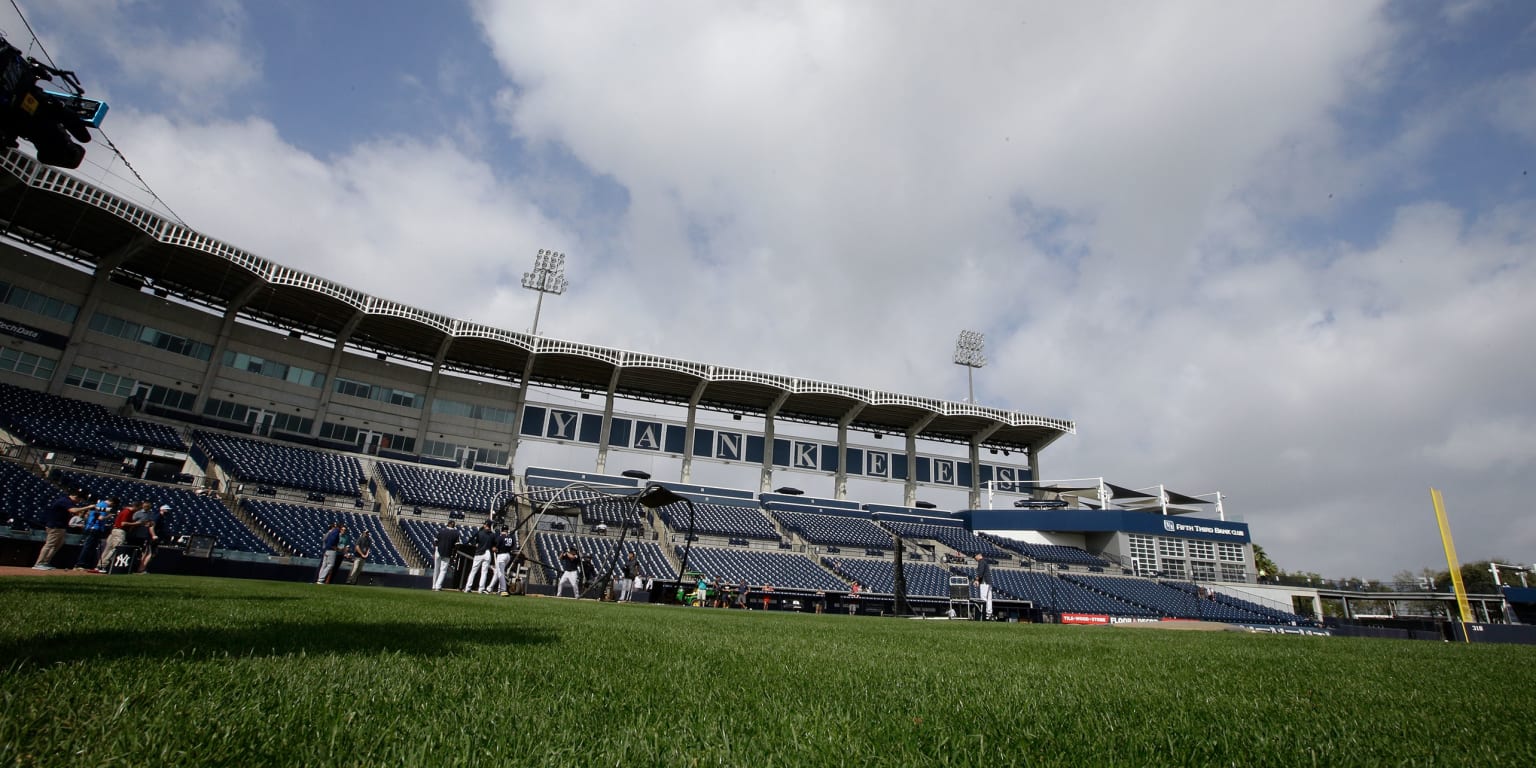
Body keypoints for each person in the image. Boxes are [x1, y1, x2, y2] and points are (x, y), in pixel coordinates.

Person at [33, 488, 92, 570]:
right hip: (55, 526)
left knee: (56, 545)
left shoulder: (69, 502)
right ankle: (39, 563)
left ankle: (45, 562)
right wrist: (87, 507)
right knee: (49, 545)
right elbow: (73, 510)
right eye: (79, 499)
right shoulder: (64, 501)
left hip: (61, 527)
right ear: (76, 496)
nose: (79, 501)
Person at [94, 499, 140, 572]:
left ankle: (99, 566)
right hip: (120, 531)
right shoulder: (127, 512)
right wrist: (136, 523)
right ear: (136, 507)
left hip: (115, 530)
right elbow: (123, 523)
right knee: (114, 549)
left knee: (108, 549)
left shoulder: (125, 511)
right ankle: (103, 566)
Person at [72, 496, 115, 570]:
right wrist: (108, 516)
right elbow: (100, 518)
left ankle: (84, 564)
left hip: (90, 527)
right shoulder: (104, 506)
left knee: (89, 547)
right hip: (95, 528)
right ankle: (80, 564)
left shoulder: (99, 504)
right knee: (88, 546)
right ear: (112, 502)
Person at [464, 521, 496, 594]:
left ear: (486, 525)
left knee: (473, 571)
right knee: (484, 572)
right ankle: (481, 589)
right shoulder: (493, 535)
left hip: (479, 552)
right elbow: (494, 546)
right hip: (487, 553)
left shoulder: (480, 533)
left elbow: (477, 543)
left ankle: (467, 588)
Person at [138, 504, 170, 573]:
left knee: (150, 553)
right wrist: (153, 535)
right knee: (148, 553)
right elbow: (151, 526)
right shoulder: (157, 516)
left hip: (154, 537)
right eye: (167, 509)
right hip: (151, 538)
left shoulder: (161, 517)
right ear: (163, 509)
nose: (168, 511)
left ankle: (142, 568)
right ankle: (141, 569)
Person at [432, 520, 459, 591]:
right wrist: (453, 555)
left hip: (438, 551)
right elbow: (456, 546)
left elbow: (435, 542)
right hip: (447, 553)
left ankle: (434, 585)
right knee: (443, 570)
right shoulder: (456, 533)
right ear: (454, 525)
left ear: (448, 524)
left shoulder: (441, 531)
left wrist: (434, 552)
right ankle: (438, 586)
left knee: (436, 569)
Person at [490, 526, 516, 595]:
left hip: (501, 556)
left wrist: (494, 548)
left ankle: (503, 590)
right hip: (508, 556)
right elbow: (513, 547)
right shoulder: (511, 537)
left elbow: (495, 548)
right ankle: (492, 589)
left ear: (502, 530)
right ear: (507, 530)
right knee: (499, 572)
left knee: (500, 573)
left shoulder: (500, 537)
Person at [974, 553, 993, 620]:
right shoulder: (984, 561)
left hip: (984, 582)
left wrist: (977, 580)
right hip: (988, 581)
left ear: (979, 555)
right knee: (989, 598)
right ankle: (989, 614)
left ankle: (984, 614)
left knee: (984, 598)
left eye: (975, 556)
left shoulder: (981, 562)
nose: (974, 558)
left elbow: (980, 573)